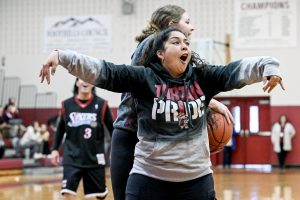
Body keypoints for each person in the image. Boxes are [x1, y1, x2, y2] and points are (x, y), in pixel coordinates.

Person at [40, 28, 284, 199]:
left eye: (186, 43)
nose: (184, 45)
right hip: (149, 179)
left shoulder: (204, 78)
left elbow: (238, 70)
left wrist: (268, 67)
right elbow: (104, 71)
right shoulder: (144, 78)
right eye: (176, 42)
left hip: (197, 181)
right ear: (159, 53)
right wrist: (62, 57)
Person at [110, 5, 233, 200]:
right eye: (187, 22)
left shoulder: (166, 51)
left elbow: (176, 87)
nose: (192, 28)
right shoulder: (153, 44)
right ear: (171, 25)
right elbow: (156, 87)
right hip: (132, 136)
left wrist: (207, 100)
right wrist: (210, 102)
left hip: (147, 136)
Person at [50, 78, 114, 200]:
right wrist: (54, 149)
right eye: (81, 78)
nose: (85, 81)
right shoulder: (67, 104)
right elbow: (60, 130)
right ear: (76, 82)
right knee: (67, 191)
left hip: (94, 157)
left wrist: (118, 150)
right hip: (72, 156)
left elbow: (113, 130)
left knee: (99, 195)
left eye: (89, 78)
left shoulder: (102, 104)